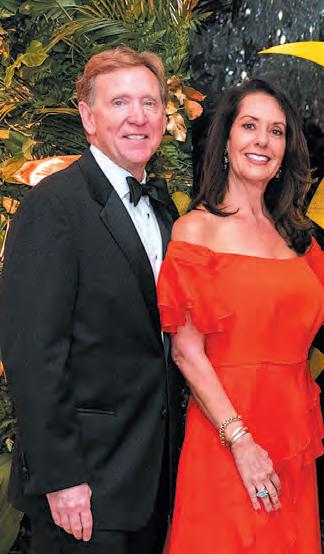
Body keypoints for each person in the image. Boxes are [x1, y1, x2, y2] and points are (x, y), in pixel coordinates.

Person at [0, 47, 182, 552]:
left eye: (149, 103)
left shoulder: (164, 211)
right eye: (119, 102)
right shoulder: (53, 205)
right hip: (82, 489)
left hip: (149, 481)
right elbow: (33, 353)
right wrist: (61, 477)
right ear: (88, 117)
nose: (137, 117)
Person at [156, 79, 324, 553]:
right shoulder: (195, 229)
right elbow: (186, 352)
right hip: (226, 435)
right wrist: (240, 442)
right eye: (249, 126)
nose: (262, 140)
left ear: (285, 151)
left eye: (276, 131)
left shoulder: (299, 238)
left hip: (293, 435)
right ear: (226, 140)